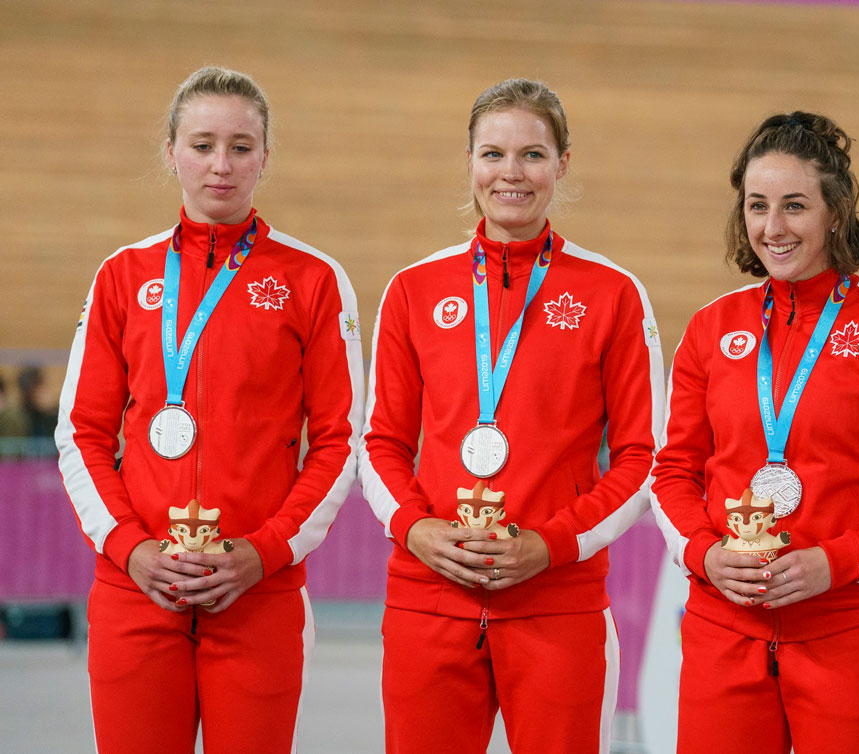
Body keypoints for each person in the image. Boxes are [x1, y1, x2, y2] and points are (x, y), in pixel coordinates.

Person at [55, 66, 364, 754]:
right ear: (170, 151)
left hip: (258, 593)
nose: (220, 165)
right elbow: (81, 433)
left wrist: (267, 551)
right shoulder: (122, 275)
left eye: (240, 146)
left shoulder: (313, 279)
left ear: (265, 156)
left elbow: (342, 441)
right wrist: (131, 550)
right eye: (201, 145)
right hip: (137, 589)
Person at [359, 77, 665, 754]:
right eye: (493, 154)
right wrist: (417, 531)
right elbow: (380, 442)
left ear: (561, 165)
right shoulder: (413, 290)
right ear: (469, 162)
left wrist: (550, 546)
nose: (511, 173)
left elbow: (645, 460)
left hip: (557, 602)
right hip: (429, 595)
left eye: (532, 154)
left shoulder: (613, 294)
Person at [650, 111, 859, 754]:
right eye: (757, 206)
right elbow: (672, 471)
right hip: (722, 630)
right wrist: (705, 554)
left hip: (846, 635)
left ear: (835, 213)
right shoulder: (710, 329)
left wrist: (835, 563)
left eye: (795, 206)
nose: (773, 227)